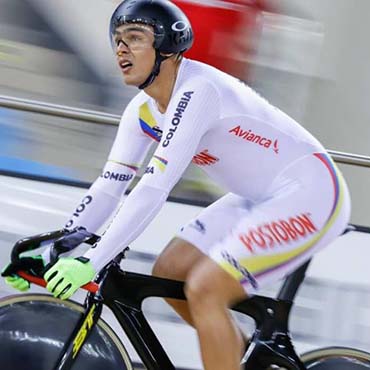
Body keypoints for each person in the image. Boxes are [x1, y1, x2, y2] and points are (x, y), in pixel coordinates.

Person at [2, 1, 351, 369]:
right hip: (256, 197)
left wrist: (92, 260)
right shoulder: (141, 110)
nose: (121, 48)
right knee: (169, 271)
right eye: (117, 39)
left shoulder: (198, 91)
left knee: (206, 289)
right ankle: (242, 359)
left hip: (309, 194)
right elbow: (109, 186)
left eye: (135, 38)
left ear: (168, 46)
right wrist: (59, 241)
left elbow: (154, 187)